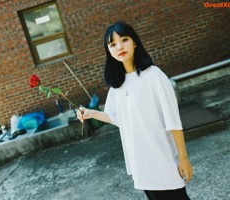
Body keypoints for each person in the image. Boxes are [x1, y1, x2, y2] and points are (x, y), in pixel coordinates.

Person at [77, 21, 192, 200]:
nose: (119, 47)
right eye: (112, 44)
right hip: (140, 162)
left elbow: (173, 120)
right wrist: (90, 113)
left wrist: (183, 158)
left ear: (135, 42)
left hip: (163, 158)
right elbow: (117, 117)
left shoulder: (154, 75)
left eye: (124, 40)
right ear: (108, 51)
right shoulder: (117, 85)